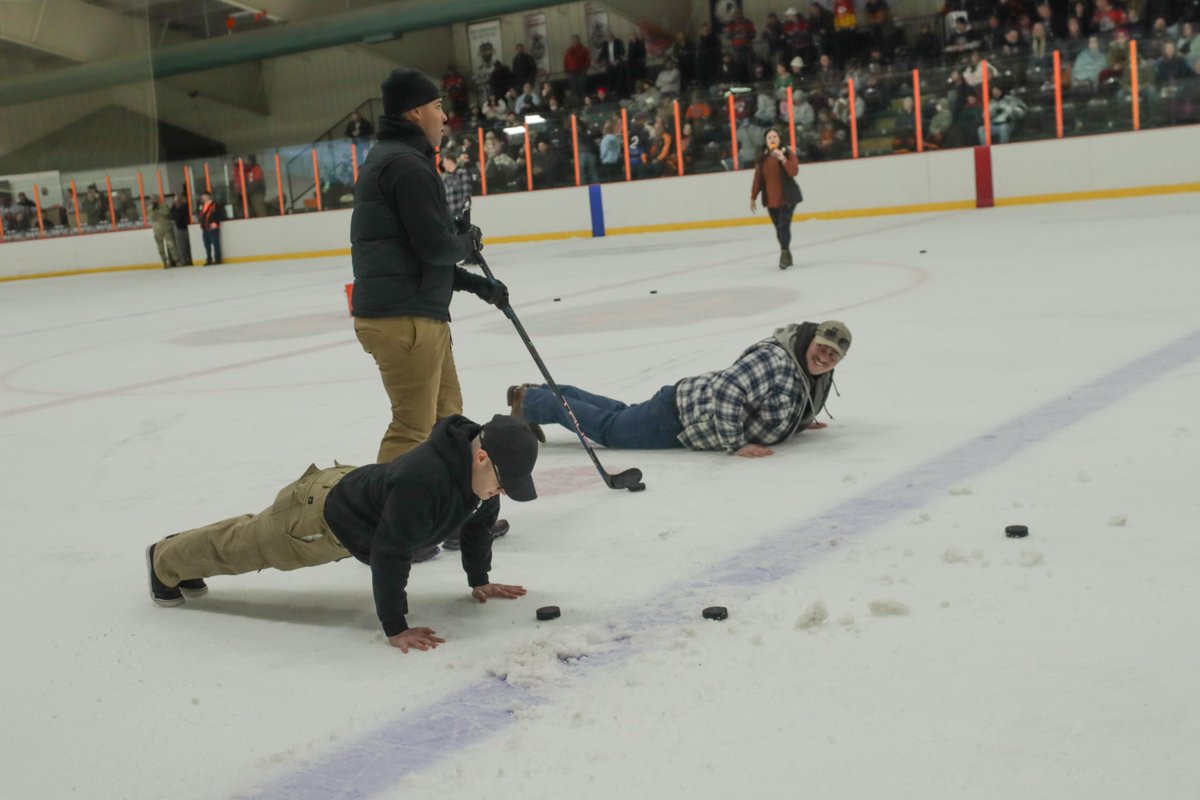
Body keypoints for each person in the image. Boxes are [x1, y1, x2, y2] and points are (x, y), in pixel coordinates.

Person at [145, 414, 539, 653]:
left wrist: (479, 580)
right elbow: (390, 553)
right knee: (243, 546)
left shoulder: (481, 479)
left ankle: (181, 551)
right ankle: (165, 559)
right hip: (316, 520)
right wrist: (396, 627)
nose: (501, 493)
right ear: (482, 457)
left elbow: (478, 525)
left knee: (244, 535)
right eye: (503, 484)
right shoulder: (423, 481)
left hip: (358, 495)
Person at [350, 66, 509, 471]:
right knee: (413, 429)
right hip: (405, 319)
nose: (444, 116)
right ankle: (385, 509)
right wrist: (468, 242)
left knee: (448, 422)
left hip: (416, 313)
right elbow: (437, 248)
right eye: (437, 106)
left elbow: (416, 257)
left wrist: (478, 285)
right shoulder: (406, 165)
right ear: (415, 111)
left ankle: (447, 505)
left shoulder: (399, 160)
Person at [507, 321, 851, 457]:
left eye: (832, 355)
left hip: (682, 405)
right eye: (821, 347)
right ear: (810, 339)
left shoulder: (809, 371)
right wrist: (737, 444)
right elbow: (728, 389)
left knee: (619, 414)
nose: (824, 357)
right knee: (610, 430)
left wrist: (799, 421)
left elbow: (786, 399)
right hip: (682, 417)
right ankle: (532, 401)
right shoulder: (775, 360)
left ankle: (542, 391)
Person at [750, 127, 802, 270]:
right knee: (779, 228)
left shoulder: (787, 153)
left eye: (775, 137)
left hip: (787, 197)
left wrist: (783, 159)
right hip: (771, 199)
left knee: (784, 226)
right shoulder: (763, 158)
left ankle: (784, 254)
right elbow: (758, 178)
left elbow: (793, 171)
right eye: (769, 137)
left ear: (780, 139)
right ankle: (786, 252)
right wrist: (753, 196)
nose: (772, 139)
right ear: (765, 141)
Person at [150, 197, 178, 267]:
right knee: (160, 247)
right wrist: (154, 210)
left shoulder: (164, 206)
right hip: (157, 230)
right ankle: (164, 261)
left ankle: (176, 260)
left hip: (166, 228)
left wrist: (158, 209)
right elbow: (150, 217)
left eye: (156, 199)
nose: (154, 201)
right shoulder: (150, 208)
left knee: (171, 245)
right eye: (153, 200)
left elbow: (167, 213)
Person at [197, 191, 223, 265]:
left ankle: (217, 259)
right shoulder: (202, 205)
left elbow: (219, 214)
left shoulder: (214, 205)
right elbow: (201, 215)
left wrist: (216, 223)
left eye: (204, 196)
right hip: (205, 227)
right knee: (206, 244)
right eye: (201, 196)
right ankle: (209, 258)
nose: (202, 197)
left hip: (213, 227)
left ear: (208, 196)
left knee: (215, 243)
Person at [169, 194, 193, 267]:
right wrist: (174, 205)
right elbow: (172, 215)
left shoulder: (185, 206)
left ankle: (188, 259)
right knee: (181, 245)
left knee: (187, 245)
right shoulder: (175, 208)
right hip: (180, 228)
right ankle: (184, 260)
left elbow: (182, 214)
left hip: (186, 227)